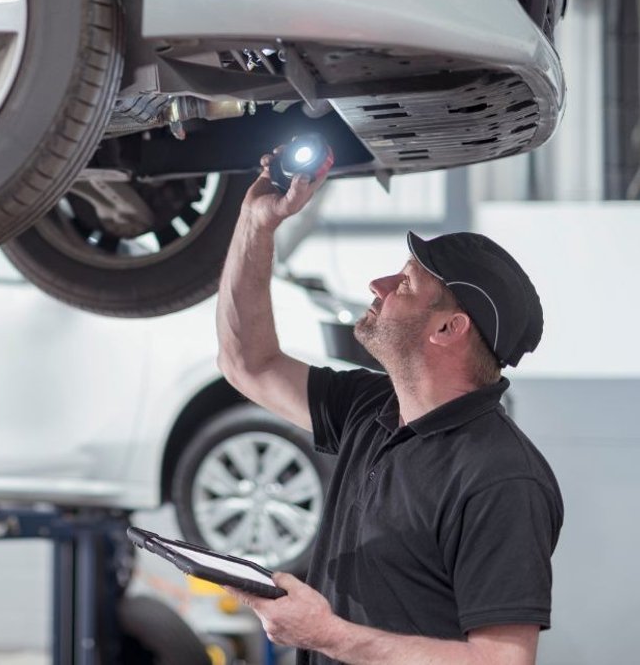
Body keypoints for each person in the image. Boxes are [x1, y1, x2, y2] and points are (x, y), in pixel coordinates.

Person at [214, 149, 563, 665]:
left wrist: (326, 634)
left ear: (449, 328)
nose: (377, 287)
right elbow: (248, 362)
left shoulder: (502, 477)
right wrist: (256, 224)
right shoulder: (370, 408)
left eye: (405, 284)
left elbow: (501, 661)